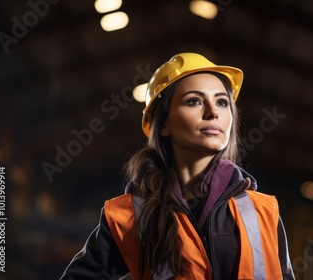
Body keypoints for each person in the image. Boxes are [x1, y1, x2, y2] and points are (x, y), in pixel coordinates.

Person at [61, 53, 295, 279]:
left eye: (222, 102)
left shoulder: (262, 210)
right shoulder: (129, 215)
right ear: (163, 125)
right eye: (194, 101)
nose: (213, 112)